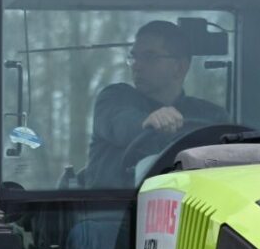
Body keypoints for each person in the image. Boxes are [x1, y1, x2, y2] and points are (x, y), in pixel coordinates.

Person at [83, 20, 230, 187]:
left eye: (149, 57)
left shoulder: (211, 116)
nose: (136, 66)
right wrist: (147, 122)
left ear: (180, 67)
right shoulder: (114, 98)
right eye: (134, 57)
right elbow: (119, 123)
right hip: (112, 209)